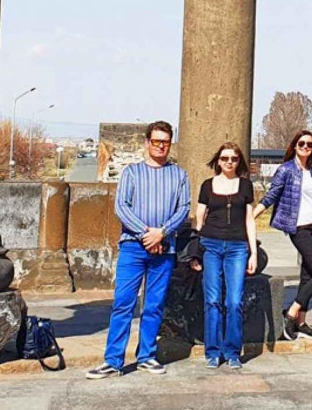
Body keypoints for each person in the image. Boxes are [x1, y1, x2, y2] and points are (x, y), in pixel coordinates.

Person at [88, 121, 190, 378]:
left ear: (170, 143)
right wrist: (147, 234)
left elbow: (183, 209)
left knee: (154, 305)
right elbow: (122, 207)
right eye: (155, 141)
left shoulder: (179, 175)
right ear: (147, 143)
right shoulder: (132, 172)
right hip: (134, 247)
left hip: (164, 248)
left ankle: (147, 355)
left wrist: (162, 233)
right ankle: (113, 360)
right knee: (123, 302)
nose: (160, 146)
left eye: (164, 142)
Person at [253, 129, 312, 340]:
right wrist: (252, 215)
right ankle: (291, 312)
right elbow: (271, 195)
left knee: (307, 275)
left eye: (310, 145)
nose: (306, 147)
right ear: (294, 146)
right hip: (299, 227)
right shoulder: (286, 169)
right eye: (302, 144)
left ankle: (301, 323)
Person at [191, 141, 258, 370]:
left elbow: (250, 219)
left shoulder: (246, 185)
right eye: (224, 158)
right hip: (211, 244)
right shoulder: (208, 185)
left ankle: (232, 351)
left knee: (234, 300)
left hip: (237, 247)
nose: (229, 162)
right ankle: (212, 351)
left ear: (239, 162)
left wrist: (253, 252)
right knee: (212, 300)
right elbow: (199, 218)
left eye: (234, 158)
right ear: (218, 161)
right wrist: (196, 251)